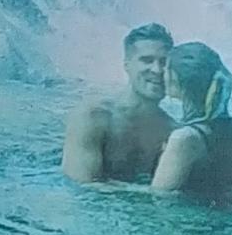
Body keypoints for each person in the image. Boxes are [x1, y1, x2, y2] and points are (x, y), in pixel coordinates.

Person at [153, 43, 232, 203]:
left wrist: (115, 188)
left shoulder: (184, 139)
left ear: (174, 79)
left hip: (192, 225)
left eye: (165, 68)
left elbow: (160, 194)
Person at [63, 24, 178, 185]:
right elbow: (81, 185)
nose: (157, 70)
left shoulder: (172, 131)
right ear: (127, 65)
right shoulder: (94, 117)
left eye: (164, 63)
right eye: (147, 60)